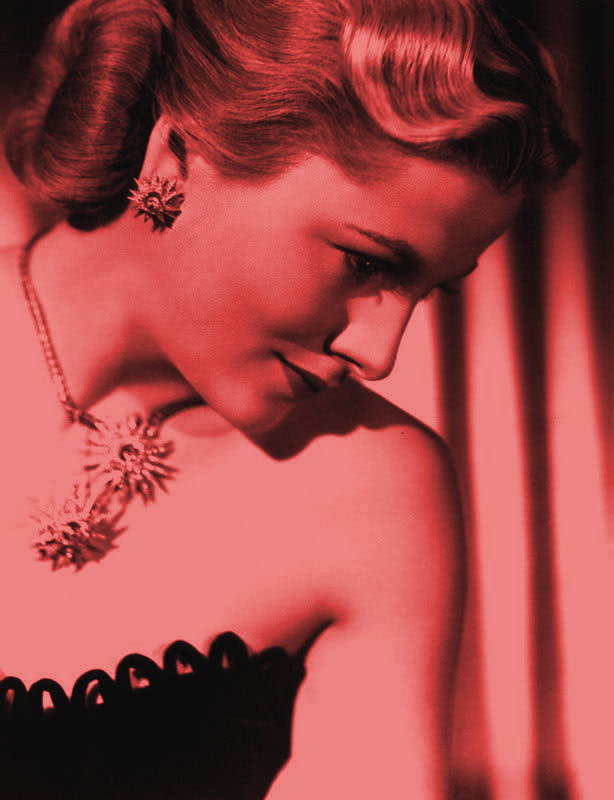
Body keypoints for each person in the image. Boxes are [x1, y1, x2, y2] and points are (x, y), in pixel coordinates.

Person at [0, 0, 578, 798]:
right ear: (173, 159)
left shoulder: (374, 485)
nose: (378, 354)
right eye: (366, 263)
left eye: (430, 292)